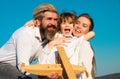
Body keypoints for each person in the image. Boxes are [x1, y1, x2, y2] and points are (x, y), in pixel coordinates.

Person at [0, 3, 61, 79]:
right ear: (38, 22)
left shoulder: (48, 36)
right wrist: (40, 76)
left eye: (55, 20)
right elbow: (23, 65)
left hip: (18, 68)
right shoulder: (26, 34)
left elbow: (72, 29)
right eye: (49, 19)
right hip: (3, 64)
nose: (53, 23)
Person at [38, 12, 95, 79]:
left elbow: (91, 34)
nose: (79, 26)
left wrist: (89, 35)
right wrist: (52, 43)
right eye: (77, 23)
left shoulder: (80, 43)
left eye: (84, 26)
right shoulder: (55, 37)